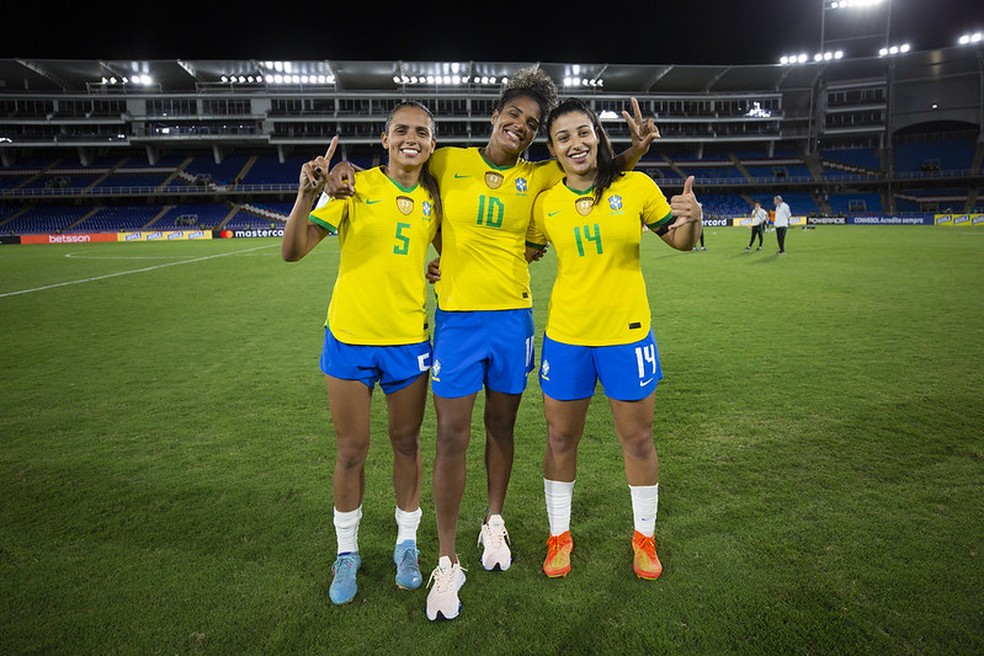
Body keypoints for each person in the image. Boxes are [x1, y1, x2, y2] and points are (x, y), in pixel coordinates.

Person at [322, 70, 659, 622]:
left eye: (532, 124)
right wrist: (342, 171)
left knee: (502, 427)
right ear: (495, 114)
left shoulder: (541, 173)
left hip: (514, 323)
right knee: (451, 435)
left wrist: (633, 150)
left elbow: (592, 168)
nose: (521, 127)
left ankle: (494, 523)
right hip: (456, 323)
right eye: (515, 116)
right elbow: (394, 163)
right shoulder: (447, 160)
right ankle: (447, 559)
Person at [530, 98, 702, 582]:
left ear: (597, 136)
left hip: (628, 337)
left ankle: (643, 538)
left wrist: (695, 217)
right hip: (567, 337)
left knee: (638, 439)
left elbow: (680, 242)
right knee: (561, 437)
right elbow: (519, 252)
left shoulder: (636, 186)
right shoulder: (545, 204)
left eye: (583, 132)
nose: (576, 143)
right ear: (553, 149)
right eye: (564, 138)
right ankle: (559, 536)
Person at [281, 101, 441, 606]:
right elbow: (294, 249)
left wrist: (439, 267)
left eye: (421, 131)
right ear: (384, 138)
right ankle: (346, 552)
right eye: (401, 130)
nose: (410, 138)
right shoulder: (353, 185)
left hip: (408, 341)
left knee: (406, 444)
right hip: (349, 338)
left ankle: (407, 545)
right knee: (351, 450)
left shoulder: (437, 200)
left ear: (432, 144)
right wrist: (308, 193)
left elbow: (453, 249)